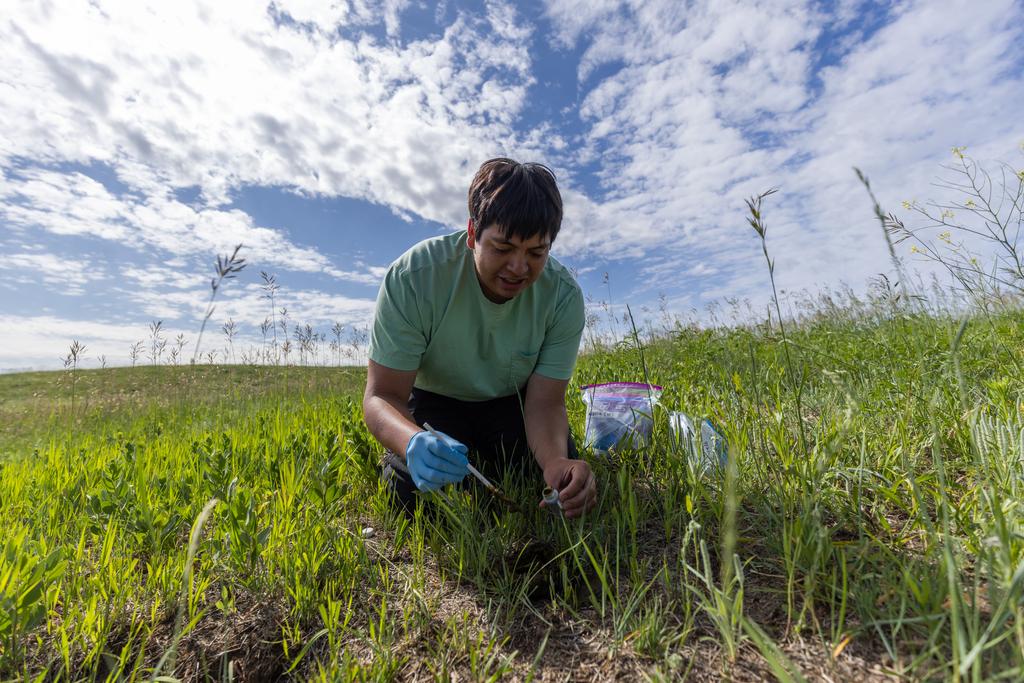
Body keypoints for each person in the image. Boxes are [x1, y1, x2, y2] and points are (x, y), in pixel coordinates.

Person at [362, 157, 597, 519]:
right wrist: (411, 442)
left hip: (514, 404)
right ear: (472, 233)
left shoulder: (562, 296)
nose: (519, 268)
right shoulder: (414, 278)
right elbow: (382, 396)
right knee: (410, 495)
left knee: (554, 479)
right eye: (503, 248)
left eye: (537, 253)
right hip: (434, 404)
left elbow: (545, 402)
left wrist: (555, 461)